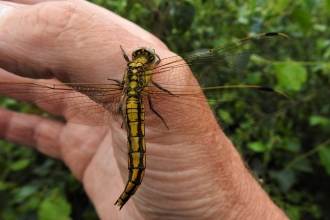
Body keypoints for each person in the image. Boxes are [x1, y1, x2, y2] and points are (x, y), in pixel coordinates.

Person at [0, 0, 289, 219]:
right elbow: (158, 92)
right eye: (143, 57)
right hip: (137, 108)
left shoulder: (129, 74)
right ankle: (131, 186)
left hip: (130, 107)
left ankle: (130, 187)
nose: (143, 58)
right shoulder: (150, 74)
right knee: (138, 142)